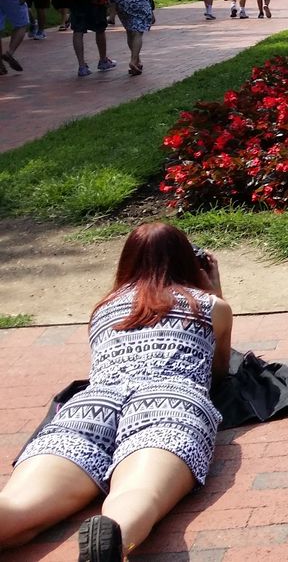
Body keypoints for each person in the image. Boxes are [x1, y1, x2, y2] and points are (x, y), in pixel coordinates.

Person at [0, 223, 232, 561]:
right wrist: (214, 289)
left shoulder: (103, 309)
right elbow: (220, 370)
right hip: (170, 400)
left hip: (94, 402)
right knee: (138, 493)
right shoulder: (210, 306)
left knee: (21, 505)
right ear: (189, 260)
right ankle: (114, 535)